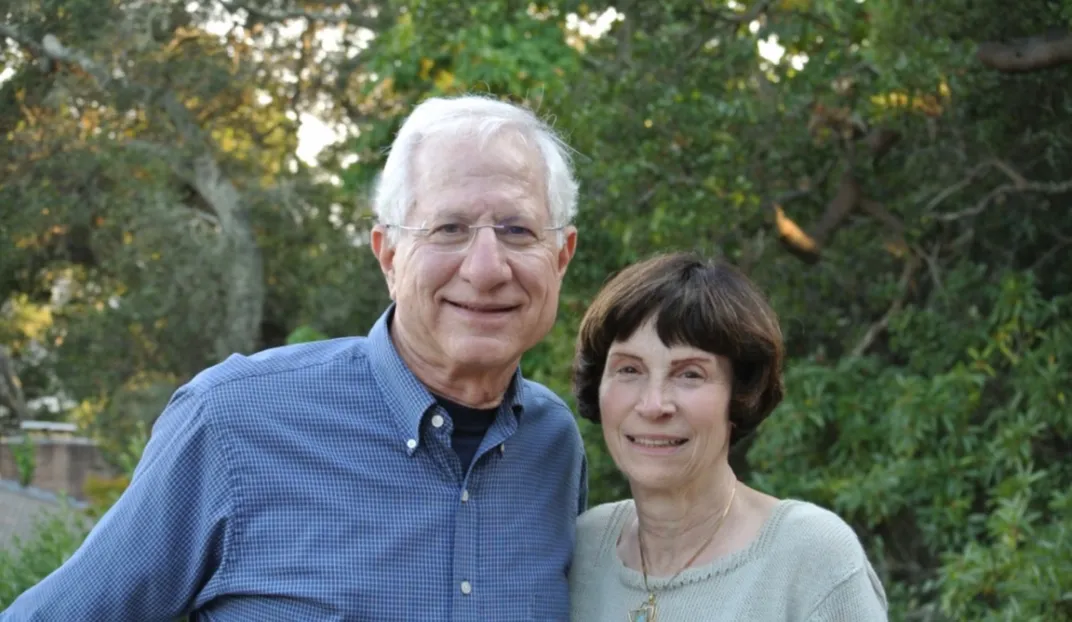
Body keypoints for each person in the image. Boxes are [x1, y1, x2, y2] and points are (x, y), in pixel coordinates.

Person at [2, 95, 588, 621]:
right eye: (449, 228)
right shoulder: (232, 421)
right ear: (388, 255)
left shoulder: (553, 447)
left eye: (516, 230)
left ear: (560, 257)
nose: (486, 268)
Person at [568, 252, 888, 622]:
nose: (654, 405)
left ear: (740, 394)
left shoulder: (811, 558)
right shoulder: (583, 547)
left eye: (689, 374)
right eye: (628, 369)